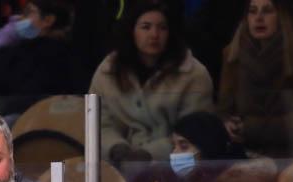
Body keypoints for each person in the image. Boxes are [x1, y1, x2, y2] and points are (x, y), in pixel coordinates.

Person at [89, 0, 214, 167]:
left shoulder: (193, 74)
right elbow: (97, 123)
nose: (154, 34)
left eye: (162, 28)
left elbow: (195, 132)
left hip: (174, 166)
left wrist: (149, 154)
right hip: (117, 164)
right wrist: (117, 148)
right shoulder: (108, 71)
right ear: (131, 30)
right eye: (146, 27)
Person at [218, 0, 293, 158]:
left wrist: (250, 128)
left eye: (267, 11)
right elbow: (224, 108)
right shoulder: (233, 55)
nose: (258, 18)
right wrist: (227, 123)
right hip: (245, 154)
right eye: (252, 11)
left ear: (283, 16)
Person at [0, 0, 83, 114]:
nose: (21, 19)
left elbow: (26, 99)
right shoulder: (23, 46)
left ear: (48, 20)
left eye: (29, 13)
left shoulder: (55, 57)